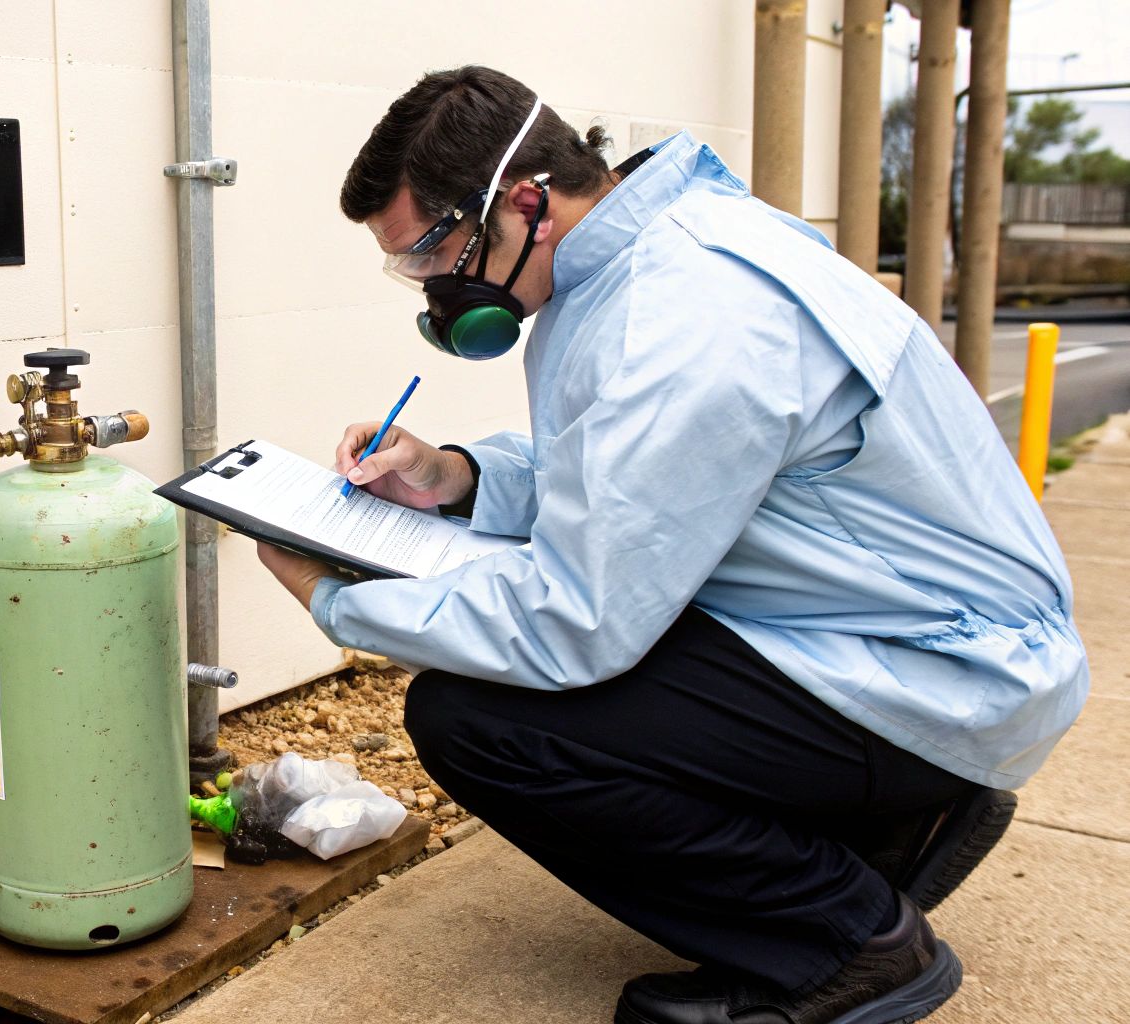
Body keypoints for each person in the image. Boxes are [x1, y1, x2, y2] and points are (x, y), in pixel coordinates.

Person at [253, 66, 1088, 1024]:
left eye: (434, 250)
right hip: (892, 631)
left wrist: (336, 599)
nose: (434, 286)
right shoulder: (635, 256)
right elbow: (618, 476)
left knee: (483, 722)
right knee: (561, 672)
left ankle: (850, 945)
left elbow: (576, 624)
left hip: (936, 673)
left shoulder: (689, 313)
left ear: (526, 200)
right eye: (410, 267)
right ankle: (890, 827)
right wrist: (458, 476)